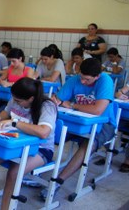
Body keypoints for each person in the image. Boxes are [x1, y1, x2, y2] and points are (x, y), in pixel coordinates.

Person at [0, 77, 56, 210]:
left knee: (14, 173)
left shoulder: (47, 106)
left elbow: (44, 132)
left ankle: (6, 208)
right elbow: (7, 112)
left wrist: (15, 122)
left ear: (31, 99)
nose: (15, 103)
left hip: (40, 149)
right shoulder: (17, 98)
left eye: (18, 101)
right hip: (14, 144)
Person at [44, 58, 116, 199]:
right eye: (81, 77)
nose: (83, 82)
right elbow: (58, 100)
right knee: (48, 133)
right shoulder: (75, 79)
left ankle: (58, 181)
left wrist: (72, 105)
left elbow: (97, 111)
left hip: (104, 124)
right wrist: (56, 101)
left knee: (88, 144)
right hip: (77, 121)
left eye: (87, 80)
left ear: (97, 76)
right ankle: (34, 170)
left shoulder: (105, 81)